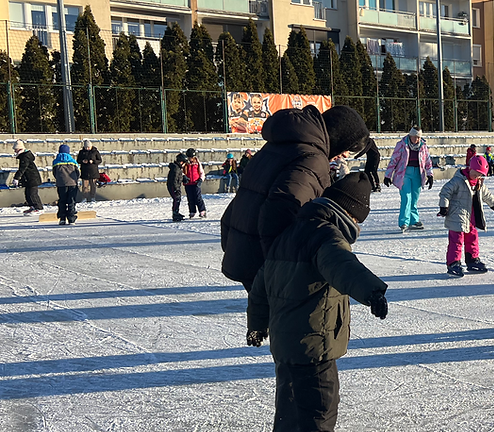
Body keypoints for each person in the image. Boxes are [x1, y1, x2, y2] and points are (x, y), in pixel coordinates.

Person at [246, 172, 389, 432]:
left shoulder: (291, 233)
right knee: (319, 415)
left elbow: (261, 285)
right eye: (358, 217)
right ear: (349, 212)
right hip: (314, 343)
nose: (357, 224)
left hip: (287, 341)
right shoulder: (325, 236)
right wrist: (372, 291)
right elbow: (342, 266)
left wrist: (257, 324)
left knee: (302, 406)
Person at [221, 105, 370, 292]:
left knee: (264, 319)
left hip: (246, 252)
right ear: (338, 137)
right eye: (348, 148)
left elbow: (242, 201)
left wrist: (231, 241)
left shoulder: (282, 145)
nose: (345, 155)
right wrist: (282, 271)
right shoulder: (312, 159)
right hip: (268, 264)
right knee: (284, 320)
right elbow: (281, 214)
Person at [437, 154, 494, 277]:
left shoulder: (479, 183)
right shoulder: (458, 180)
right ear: (470, 168)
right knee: (456, 240)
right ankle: (453, 263)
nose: (478, 176)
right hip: (457, 214)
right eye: (476, 173)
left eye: (481, 174)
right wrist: (443, 207)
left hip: (471, 215)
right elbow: (445, 192)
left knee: (472, 237)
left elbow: (486, 195)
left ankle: (472, 260)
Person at [384, 127, 434, 233]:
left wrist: (430, 175)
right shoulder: (402, 144)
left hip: (418, 174)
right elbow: (394, 160)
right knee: (406, 197)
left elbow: (427, 161)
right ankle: (404, 222)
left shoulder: (423, 146)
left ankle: (414, 220)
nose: (416, 140)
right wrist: (388, 175)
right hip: (404, 173)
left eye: (418, 137)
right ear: (410, 136)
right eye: (415, 137)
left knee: (414, 198)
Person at [11, 140, 43, 214]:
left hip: (32, 179)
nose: (15, 151)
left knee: (32, 194)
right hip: (28, 179)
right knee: (27, 194)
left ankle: (38, 207)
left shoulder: (25, 157)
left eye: (15, 149)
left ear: (19, 148)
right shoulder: (23, 156)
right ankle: (32, 206)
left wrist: (16, 178)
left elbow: (22, 169)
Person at [52, 144, 80, 226]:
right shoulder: (73, 161)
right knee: (71, 200)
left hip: (61, 184)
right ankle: (71, 219)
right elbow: (78, 172)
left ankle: (62, 218)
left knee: (62, 200)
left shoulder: (56, 162)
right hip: (72, 183)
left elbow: (54, 173)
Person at [183, 148, 207, 218]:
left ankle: (202, 210)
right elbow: (181, 172)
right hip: (188, 183)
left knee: (198, 197)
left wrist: (200, 179)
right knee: (190, 198)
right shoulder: (185, 164)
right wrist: (184, 177)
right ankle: (192, 211)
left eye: (191, 157)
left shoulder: (197, 163)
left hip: (196, 183)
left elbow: (202, 172)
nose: (190, 159)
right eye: (189, 157)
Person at [76, 139, 102, 203]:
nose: (87, 148)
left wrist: (93, 161)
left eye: (88, 147)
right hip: (85, 171)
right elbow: (78, 160)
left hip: (93, 171)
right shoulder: (81, 152)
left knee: (93, 186)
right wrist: (82, 161)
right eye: (86, 147)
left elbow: (99, 160)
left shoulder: (95, 151)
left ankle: (93, 197)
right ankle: (84, 198)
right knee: (85, 186)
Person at [167, 153, 187, 222]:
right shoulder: (176, 168)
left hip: (176, 186)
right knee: (176, 199)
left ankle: (176, 212)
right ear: (181, 162)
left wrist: (184, 178)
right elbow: (174, 179)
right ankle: (175, 213)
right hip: (173, 186)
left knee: (178, 199)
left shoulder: (178, 168)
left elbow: (179, 176)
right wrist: (175, 188)